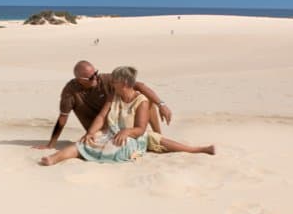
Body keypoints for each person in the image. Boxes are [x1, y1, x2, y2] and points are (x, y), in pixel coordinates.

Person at [39, 66, 214, 166]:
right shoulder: (112, 95)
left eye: (114, 81)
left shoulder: (141, 101)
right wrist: (90, 132)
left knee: (144, 144)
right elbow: (101, 117)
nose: (106, 82)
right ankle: (54, 158)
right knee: (83, 142)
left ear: (123, 84)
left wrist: (128, 131)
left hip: (134, 135)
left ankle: (199, 149)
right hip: (110, 131)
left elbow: (140, 129)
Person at [34, 60, 173, 150]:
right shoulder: (70, 92)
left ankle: (159, 137)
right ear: (78, 79)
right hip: (97, 127)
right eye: (90, 77)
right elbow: (63, 118)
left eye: (96, 73)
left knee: (149, 103)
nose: (95, 78)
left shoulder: (105, 79)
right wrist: (51, 144)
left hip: (117, 121)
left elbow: (138, 85)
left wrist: (161, 104)